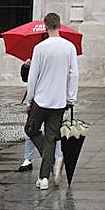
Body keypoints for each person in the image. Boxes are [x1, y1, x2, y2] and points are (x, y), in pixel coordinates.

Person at [24, 12, 80, 190]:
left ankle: (46, 172)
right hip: (59, 101)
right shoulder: (69, 47)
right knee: (50, 139)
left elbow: (32, 77)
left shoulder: (40, 48)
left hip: (41, 99)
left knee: (31, 130)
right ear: (60, 25)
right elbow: (74, 75)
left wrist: (29, 100)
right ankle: (44, 176)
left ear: (45, 26)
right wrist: (71, 98)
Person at [17, 59, 60, 172]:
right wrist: (26, 67)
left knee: (53, 132)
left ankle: (56, 157)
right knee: (32, 129)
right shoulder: (35, 53)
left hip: (50, 98)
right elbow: (26, 79)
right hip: (37, 99)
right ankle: (29, 158)